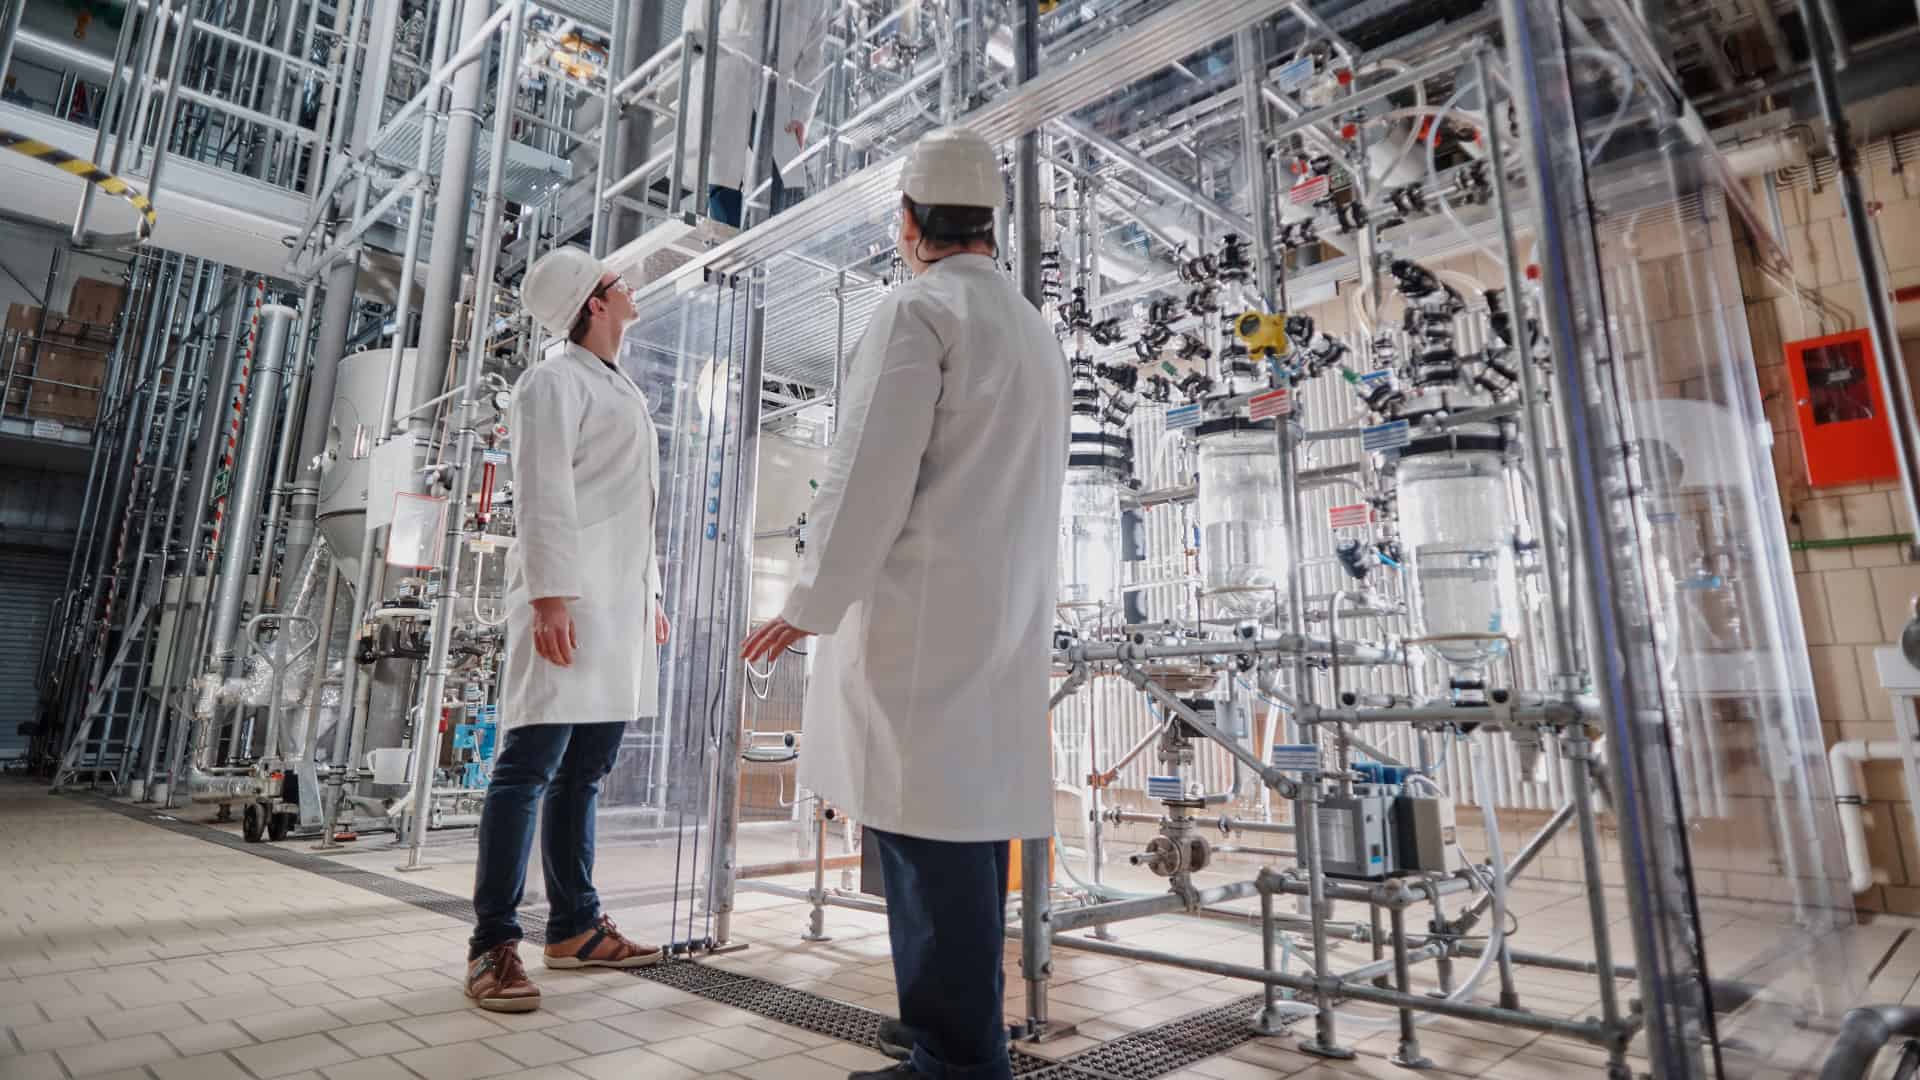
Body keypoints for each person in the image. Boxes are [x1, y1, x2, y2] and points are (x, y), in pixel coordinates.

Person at [740, 127, 1069, 1080]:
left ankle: (959, 1058)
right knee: (958, 842)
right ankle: (953, 1031)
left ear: (910, 224)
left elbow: (865, 477)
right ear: (990, 224)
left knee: (930, 851)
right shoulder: (1031, 327)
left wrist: (809, 599)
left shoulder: (919, 311)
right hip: (997, 618)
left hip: (921, 622)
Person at [465, 247, 669, 1013]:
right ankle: (492, 946)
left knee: (584, 770)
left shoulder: (617, 387)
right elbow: (544, 491)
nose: (628, 288)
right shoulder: (550, 382)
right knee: (529, 766)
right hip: (570, 605)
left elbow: (633, 508)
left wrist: (652, 591)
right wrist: (550, 595)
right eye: (617, 283)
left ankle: (575, 928)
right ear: (593, 303)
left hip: (615, 606)